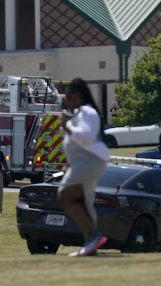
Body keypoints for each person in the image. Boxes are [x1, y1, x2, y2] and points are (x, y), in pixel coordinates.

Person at [57, 78, 110, 257]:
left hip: (89, 161)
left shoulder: (87, 112)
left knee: (64, 196)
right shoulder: (81, 114)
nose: (67, 101)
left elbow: (87, 136)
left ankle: (94, 235)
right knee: (85, 204)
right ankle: (91, 245)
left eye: (69, 97)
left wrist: (68, 126)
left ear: (78, 96)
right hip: (85, 162)